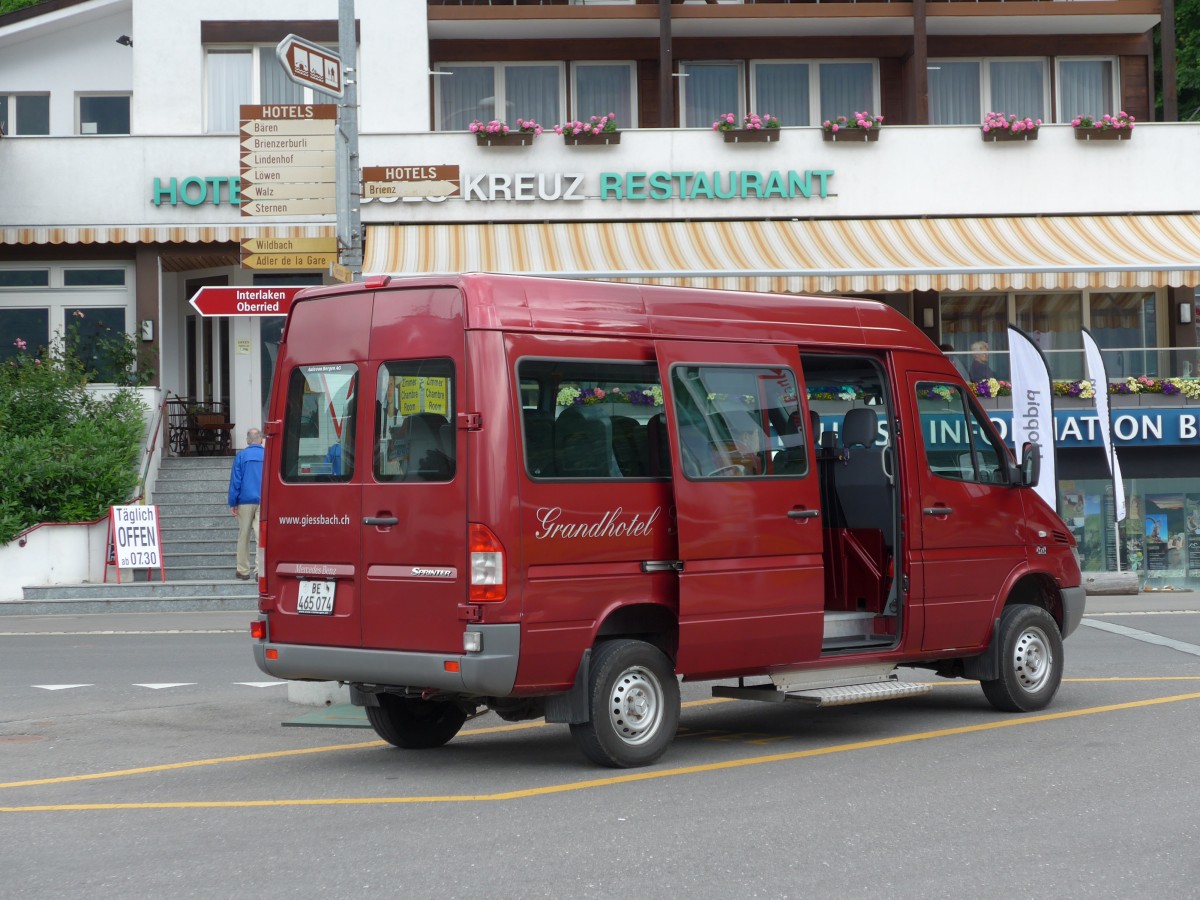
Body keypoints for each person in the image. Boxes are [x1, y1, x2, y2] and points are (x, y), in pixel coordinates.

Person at [228, 428, 265, 580]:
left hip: (244, 501)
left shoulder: (241, 456)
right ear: (261, 440)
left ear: (248, 441)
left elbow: (235, 481)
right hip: (264, 501)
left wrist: (233, 502)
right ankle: (259, 571)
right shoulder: (268, 455)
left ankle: (243, 570)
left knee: (243, 536)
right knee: (261, 537)